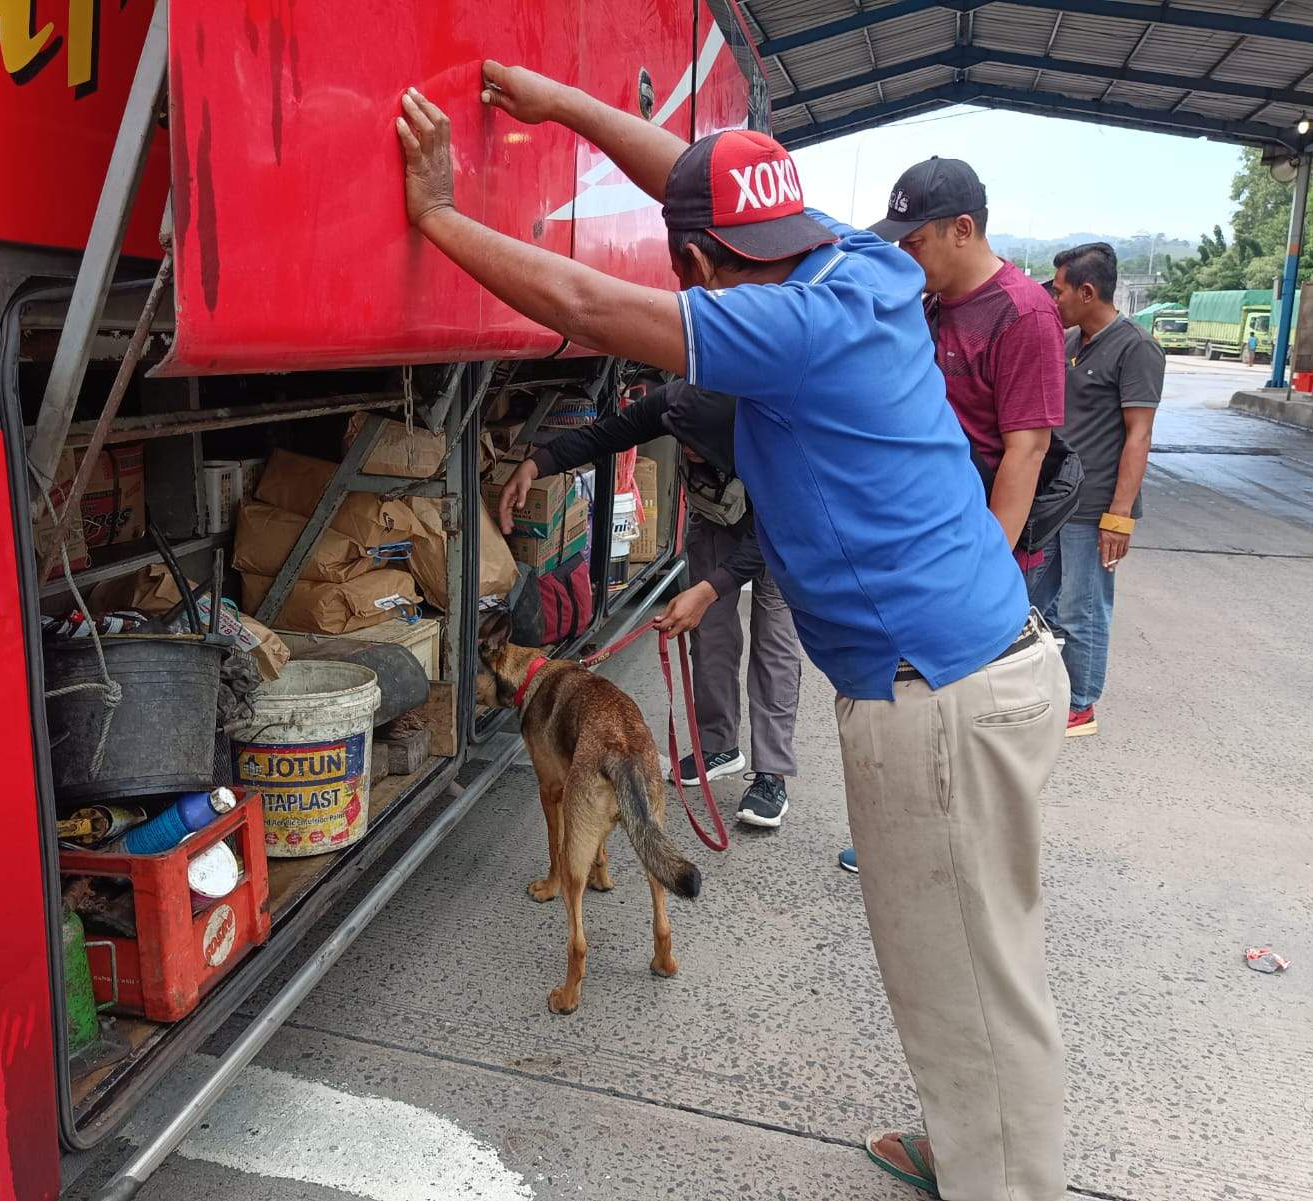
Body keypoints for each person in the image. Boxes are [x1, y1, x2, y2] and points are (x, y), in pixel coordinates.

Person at [394, 70, 1070, 1200]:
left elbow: (587, 305)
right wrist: (558, 104)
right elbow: (696, 183)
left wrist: (437, 216)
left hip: (939, 697)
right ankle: (971, 1146)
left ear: (700, 266)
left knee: (974, 977)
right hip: (970, 668)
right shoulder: (857, 268)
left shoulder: (787, 327)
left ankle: (1002, 1179)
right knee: (951, 959)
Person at [831, 157, 1066, 874]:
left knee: (970, 705)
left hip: (978, 554)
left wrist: (983, 562)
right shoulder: (928, 303)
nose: (906, 253)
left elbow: (1026, 450)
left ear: (963, 230)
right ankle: (906, 833)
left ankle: (961, 853)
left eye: (916, 240)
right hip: (924, 544)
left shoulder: (1023, 314)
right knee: (916, 695)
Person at [497, 381, 801, 827]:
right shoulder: (674, 403)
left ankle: (771, 773)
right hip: (717, 513)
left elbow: (776, 532)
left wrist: (709, 589)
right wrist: (535, 464)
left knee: (774, 643)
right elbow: (605, 435)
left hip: (779, 532)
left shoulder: (774, 433)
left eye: (699, 445)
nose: (688, 451)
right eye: (684, 442)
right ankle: (717, 744)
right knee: (709, 635)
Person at [1035, 242, 1164, 737]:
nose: (1055, 296)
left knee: (1082, 607)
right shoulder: (1069, 341)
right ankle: (1048, 688)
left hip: (1095, 509)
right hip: (1056, 502)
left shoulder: (1136, 348)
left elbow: (1139, 434)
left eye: (1061, 288)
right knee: (1034, 600)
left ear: (1088, 291)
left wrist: (1120, 516)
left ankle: (1082, 703)